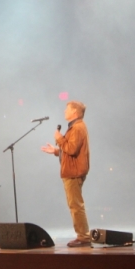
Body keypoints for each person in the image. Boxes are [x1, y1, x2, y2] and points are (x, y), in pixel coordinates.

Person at [41, 100, 91, 247]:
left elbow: (72, 149)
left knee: (76, 205)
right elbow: (69, 149)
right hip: (71, 170)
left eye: (67, 109)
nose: (64, 111)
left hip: (74, 172)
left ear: (74, 112)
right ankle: (82, 235)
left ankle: (83, 237)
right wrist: (57, 151)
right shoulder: (75, 127)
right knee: (74, 205)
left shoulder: (77, 127)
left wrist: (59, 138)